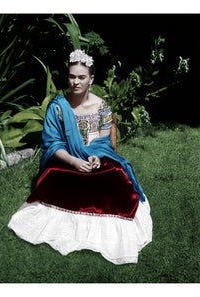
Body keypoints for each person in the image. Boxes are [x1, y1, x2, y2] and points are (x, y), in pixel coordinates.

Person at [8, 49, 152, 265]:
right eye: (72, 76)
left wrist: (96, 159)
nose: (75, 82)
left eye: (81, 77)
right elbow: (53, 144)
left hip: (95, 162)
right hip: (65, 162)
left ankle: (113, 229)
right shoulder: (57, 107)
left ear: (91, 79)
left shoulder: (102, 108)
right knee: (57, 177)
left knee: (116, 177)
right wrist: (75, 162)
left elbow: (104, 144)